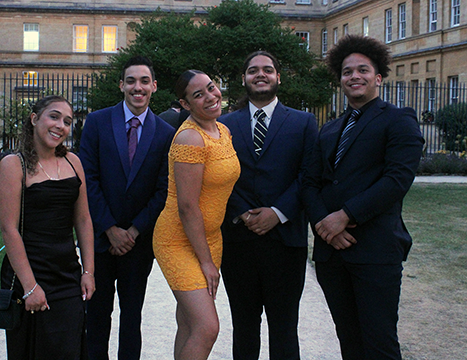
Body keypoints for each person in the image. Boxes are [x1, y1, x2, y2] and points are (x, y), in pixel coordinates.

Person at [302, 35, 424, 360]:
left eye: (363, 70)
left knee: (379, 343)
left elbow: (396, 180)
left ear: (378, 77)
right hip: (332, 255)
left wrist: (345, 216)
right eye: (347, 71)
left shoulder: (398, 120)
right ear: (340, 79)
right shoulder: (328, 129)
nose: (354, 76)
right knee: (349, 340)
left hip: (375, 251)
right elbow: (310, 184)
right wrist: (324, 226)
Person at [218, 51, 318, 360]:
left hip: (286, 242)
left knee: (284, 328)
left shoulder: (303, 122)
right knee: (244, 328)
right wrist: (244, 213)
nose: (260, 74)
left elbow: (309, 174)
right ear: (244, 79)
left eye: (268, 69)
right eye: (252, 70)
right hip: (238, 241)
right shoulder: (223, 125)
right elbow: (218, 177)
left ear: (278, 77)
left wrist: (277, 213)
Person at [79, 56, 175, 360]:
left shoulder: (165, 133)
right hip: (99, 240)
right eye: (131, 80)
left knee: (132, 319)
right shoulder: (96, 122)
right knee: (96, 317)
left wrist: (132, 231)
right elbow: (87, 178)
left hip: (138, 242)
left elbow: (163, 190)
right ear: (121, 85)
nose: (138, 87)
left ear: (154, 87)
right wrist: (110, 228)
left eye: (144, 81)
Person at [0, 95, 95, 359]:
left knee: (70, 348)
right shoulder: (13, 165)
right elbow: (9, 230)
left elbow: (83, 220)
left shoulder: (74, 162)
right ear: (34, 119)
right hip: (30, 273)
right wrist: (30, 287)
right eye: (54, 116)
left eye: (67, 121)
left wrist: (89, 271)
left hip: (66, 275)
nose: (61, 125)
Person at [153, 70, 240, 360]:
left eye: (211, 88)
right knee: (207, 327)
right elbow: (187, 207)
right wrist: (206, 262)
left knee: (189, 323)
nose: (210, 97)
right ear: (186, 104)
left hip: (209, 238)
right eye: (198, 94)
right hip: (178, 240)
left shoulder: (222, 130)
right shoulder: (190, 138)